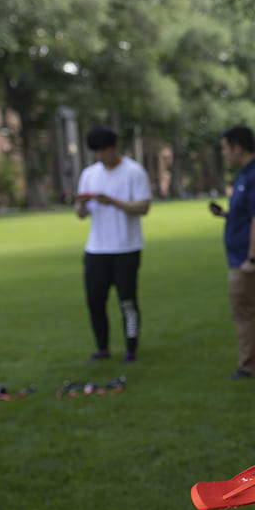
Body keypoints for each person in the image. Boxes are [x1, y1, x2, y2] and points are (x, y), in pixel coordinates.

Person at [75, 125, 152, 364]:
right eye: (96, 153)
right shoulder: (89, 174)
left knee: (127, 300)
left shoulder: (133, 171)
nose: (100, 157)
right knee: (95, 300)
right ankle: (102, 348)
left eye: (104, 151)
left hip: (126, 248)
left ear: (114, 146)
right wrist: (82, 206)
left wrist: (113, 202)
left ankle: (131, 348)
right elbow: (80, 214)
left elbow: (143, 207)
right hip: (97, 248)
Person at [209, 125, 255, 380]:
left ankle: (249, 365)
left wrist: (252, 258)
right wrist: (226, 215)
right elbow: (248, 213)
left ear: (238, 147)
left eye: (225, 148)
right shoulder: (247, 175)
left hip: (246, 260)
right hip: (244, 256)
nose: (224, 153)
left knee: (244, 310)